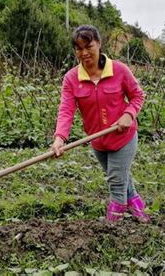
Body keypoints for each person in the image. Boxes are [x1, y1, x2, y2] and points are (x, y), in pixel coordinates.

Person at [51, 25, 150, 222]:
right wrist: (59, 138)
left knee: (115, 180)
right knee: (122, 178)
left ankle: (114, 223)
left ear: (99, 44)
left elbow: (138, 96)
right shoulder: (71, 78)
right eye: (78, 48)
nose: (84, 53)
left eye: (89, 46)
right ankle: (139, 210)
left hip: (123, 137)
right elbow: (66, 110)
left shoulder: (119, 70)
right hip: (97, 140)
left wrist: (129, 114)